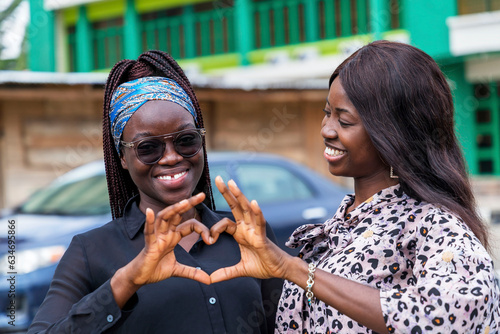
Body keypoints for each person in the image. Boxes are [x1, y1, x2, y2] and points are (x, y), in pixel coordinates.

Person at [209, 40, 500, 333]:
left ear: (393, 132)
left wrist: (295, 270)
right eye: (327, 113)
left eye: (344, 120)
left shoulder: (433, 225)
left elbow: (455, 319)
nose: (326, 130)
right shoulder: (342, 224)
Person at [28, 50, 282, 333]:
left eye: (186, 140)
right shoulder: (90, 252)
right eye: (148, 147)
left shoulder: (244, 234)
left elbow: (289, 325)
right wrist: (126, 281)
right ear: (122, 158)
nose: (171, 157)